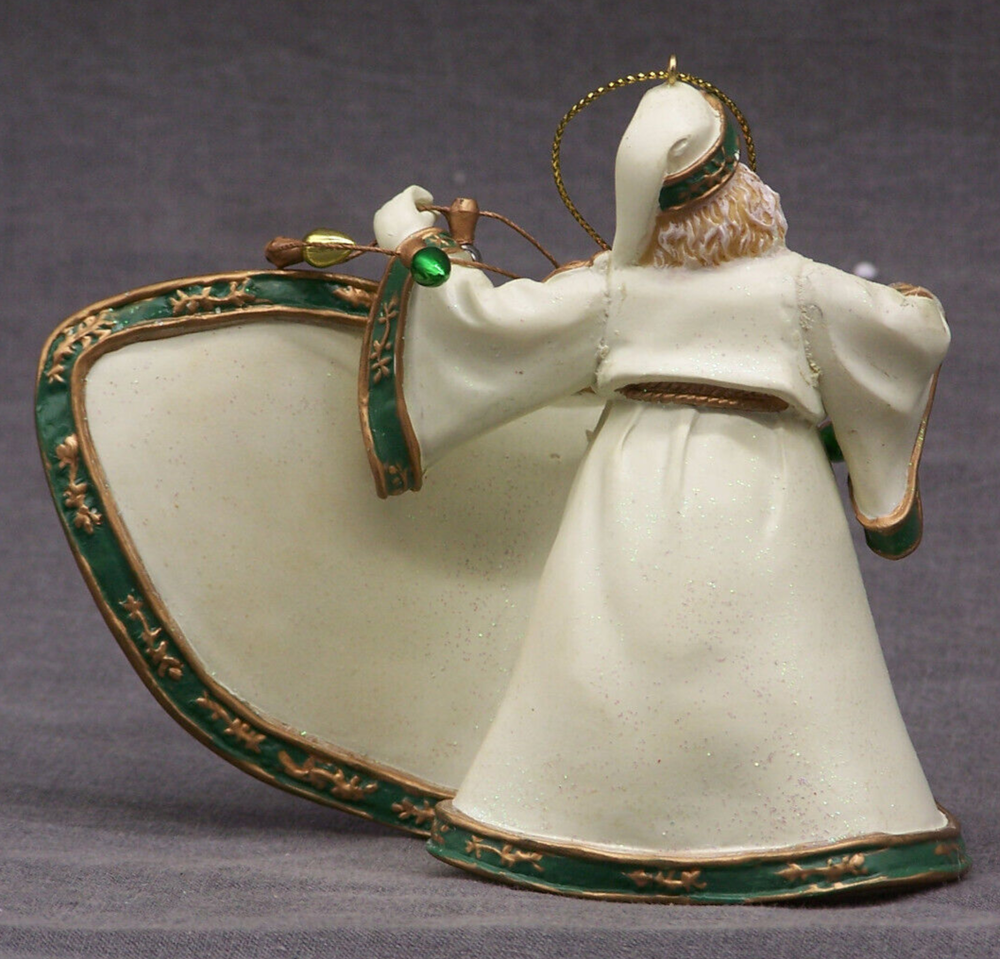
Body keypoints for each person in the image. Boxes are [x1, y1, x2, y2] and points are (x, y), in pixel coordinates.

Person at [360, 78, 964, 900]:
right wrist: (913, 307)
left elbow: (492, 326)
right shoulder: (800, 286)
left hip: (631, 487)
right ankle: (816, 822)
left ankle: (572, 816)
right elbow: (908, 333)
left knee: (612, 645)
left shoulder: (616, 287)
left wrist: (415, 242)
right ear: (745, 195)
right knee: (783, 649)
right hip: (766, 484)